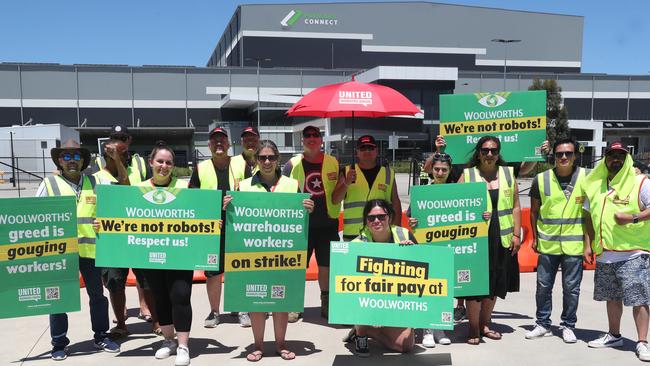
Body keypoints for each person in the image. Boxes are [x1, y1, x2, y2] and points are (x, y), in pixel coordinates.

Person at [225, 140, 314, 362]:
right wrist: (227, 207)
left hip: (282, 252)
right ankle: (257, 345)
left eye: (271, 157)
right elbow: (236, 219)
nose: (266, 162)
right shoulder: (243, 186)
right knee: (256, 300)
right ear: (256, 160)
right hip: (252, 253)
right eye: (262, 157)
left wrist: (308, 208)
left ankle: (281, 344)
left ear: (278, 160)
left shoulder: (292, 184)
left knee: (281, 300)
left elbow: (300, 215)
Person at [36, 139, 120, 360]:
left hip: (90, 253)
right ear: (59, 160)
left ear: (83, 160)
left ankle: (101, 336)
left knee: (97, 297)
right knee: (59, 299)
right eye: (66, 156)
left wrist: (104, 220)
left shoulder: (97, 182)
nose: (71, 161)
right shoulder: (49, 184)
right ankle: (59, 343)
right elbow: (35, 217)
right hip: (61, 254)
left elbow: (119, 201)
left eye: (76, 156)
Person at [582, 141, 650, 361]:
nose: (616, 159)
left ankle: (642, 342)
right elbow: (587, 216)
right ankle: (614, 335)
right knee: (612, 298)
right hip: (605, 253)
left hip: (633, 253)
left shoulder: (640, 181)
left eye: (621, 155)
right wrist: (588, 244)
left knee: (638, 299)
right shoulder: (595, 184)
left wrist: (632, 217)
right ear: (605, 157)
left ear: (627, 157)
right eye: (611, 155)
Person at [457, 135, 522, 345]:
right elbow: (453, 203)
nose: (490, 154)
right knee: (475, 286)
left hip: (502, 238)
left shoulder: (508, 174)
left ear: (498, 152)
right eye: (485, 150)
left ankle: (485, 325)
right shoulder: (467, 175)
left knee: (494, 283)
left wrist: (516, 234)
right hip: (475, 240)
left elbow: (515, 206)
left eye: (494, 150)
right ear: (479, 153)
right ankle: (473, 328)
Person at [188, 127, 252, 328]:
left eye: (222, 140)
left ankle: (241, 309)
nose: (219, 143)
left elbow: (253, 193)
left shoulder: (242, 165)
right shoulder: (201, 168)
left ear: (229, 144)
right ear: (208, 145)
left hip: (238, 227)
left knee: (239, 270)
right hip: (212, 231)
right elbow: (193, 199)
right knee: (213, 272)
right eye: (214, 140)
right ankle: (214, 312)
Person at [525, 138, 588, 343]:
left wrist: (589, 244)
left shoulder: (586, 178)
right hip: (548, 243)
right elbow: (534, 211)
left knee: (571, 288)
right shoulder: (541, 179)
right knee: (543, 286)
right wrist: (534, 237)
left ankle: (568, 325)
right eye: (559, 153)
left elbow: (589, 213)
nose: (563, 157)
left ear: (575, 155)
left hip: (574, 245)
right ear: (553, 155)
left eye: (568, 154)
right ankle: (543, 323)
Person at [95, 138, 159, 337]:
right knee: (115, 282)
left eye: (126, 153)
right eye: (122, 154)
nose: (126, 157)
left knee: (147, 281)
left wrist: (121, 163)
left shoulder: (133, 173)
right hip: (112, 239)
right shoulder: (96, 178)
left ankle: (157, 321)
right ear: (109, 155)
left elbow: (127, 191)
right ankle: (121, 324)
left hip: (137, 236)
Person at [138, 142, 192, 366]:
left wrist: (211, 222)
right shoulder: (138, 188)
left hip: (179, 252)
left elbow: (196, 216)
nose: (164, 165)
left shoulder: (184, 188)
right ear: (151, 163)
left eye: (169, 162)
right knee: (160, 297)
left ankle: (183, 346)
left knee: (180, 296)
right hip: (151, 252)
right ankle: (168, 341)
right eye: (160, 161)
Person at [343, 199, 416, 357]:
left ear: (389, 217)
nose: (376, 221)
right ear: (366, 221)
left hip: (397, 300)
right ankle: (361, 334)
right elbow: (349, 285)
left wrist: (412, 253)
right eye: (371, 218)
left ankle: (368, 330)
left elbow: (422, 273)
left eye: (381, 217)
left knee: (406, 345)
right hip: (368, 300)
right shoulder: (357, 244)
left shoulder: (404, 234)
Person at [283, 126, 341, 320]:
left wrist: (347, 182)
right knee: (297, 266)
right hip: (301, 226)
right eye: (307, 135)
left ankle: (326, 302)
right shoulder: (291, 164)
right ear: (302, 141)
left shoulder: (333, 162)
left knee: (326, 266)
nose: (311, 138)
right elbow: (282, 192)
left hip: (328, 223)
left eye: (315, 135)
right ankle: (294, 304)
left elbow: (340, 192)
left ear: (321, 140)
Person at [407, 146, 453, 348]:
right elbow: (410, 215)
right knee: (427, 287)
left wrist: (482, 217)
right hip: (427, 245)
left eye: (444, 169)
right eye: (437, 169)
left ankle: (440, 328)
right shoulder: (423, 191)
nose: (441, 173)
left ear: (450, 171)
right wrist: (413, 221)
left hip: (448, 246)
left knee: (445, 288)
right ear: (431, 170)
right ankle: (426, 329)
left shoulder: (458, 192)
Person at [333, 135, 402, 241]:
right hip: (353, 234)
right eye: (363, 148)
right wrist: (346, 183)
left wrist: (397, 230)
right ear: (357, 152)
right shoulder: (346, 172)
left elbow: (396, 203)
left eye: (370, 148)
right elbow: (335, 200)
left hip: (381, 234)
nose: (367, 151)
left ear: (376, 151)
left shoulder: (388, 173)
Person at [227, 126, 260, 327]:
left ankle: (253, 305)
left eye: (253, 138)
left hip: (260, 222)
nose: (250, 141)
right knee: (238, 266)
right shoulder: (233, 162)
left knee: (254, 267)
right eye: (246, 138)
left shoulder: (265, 160)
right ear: (241, 141)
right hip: (239, 221)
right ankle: (240, 308)